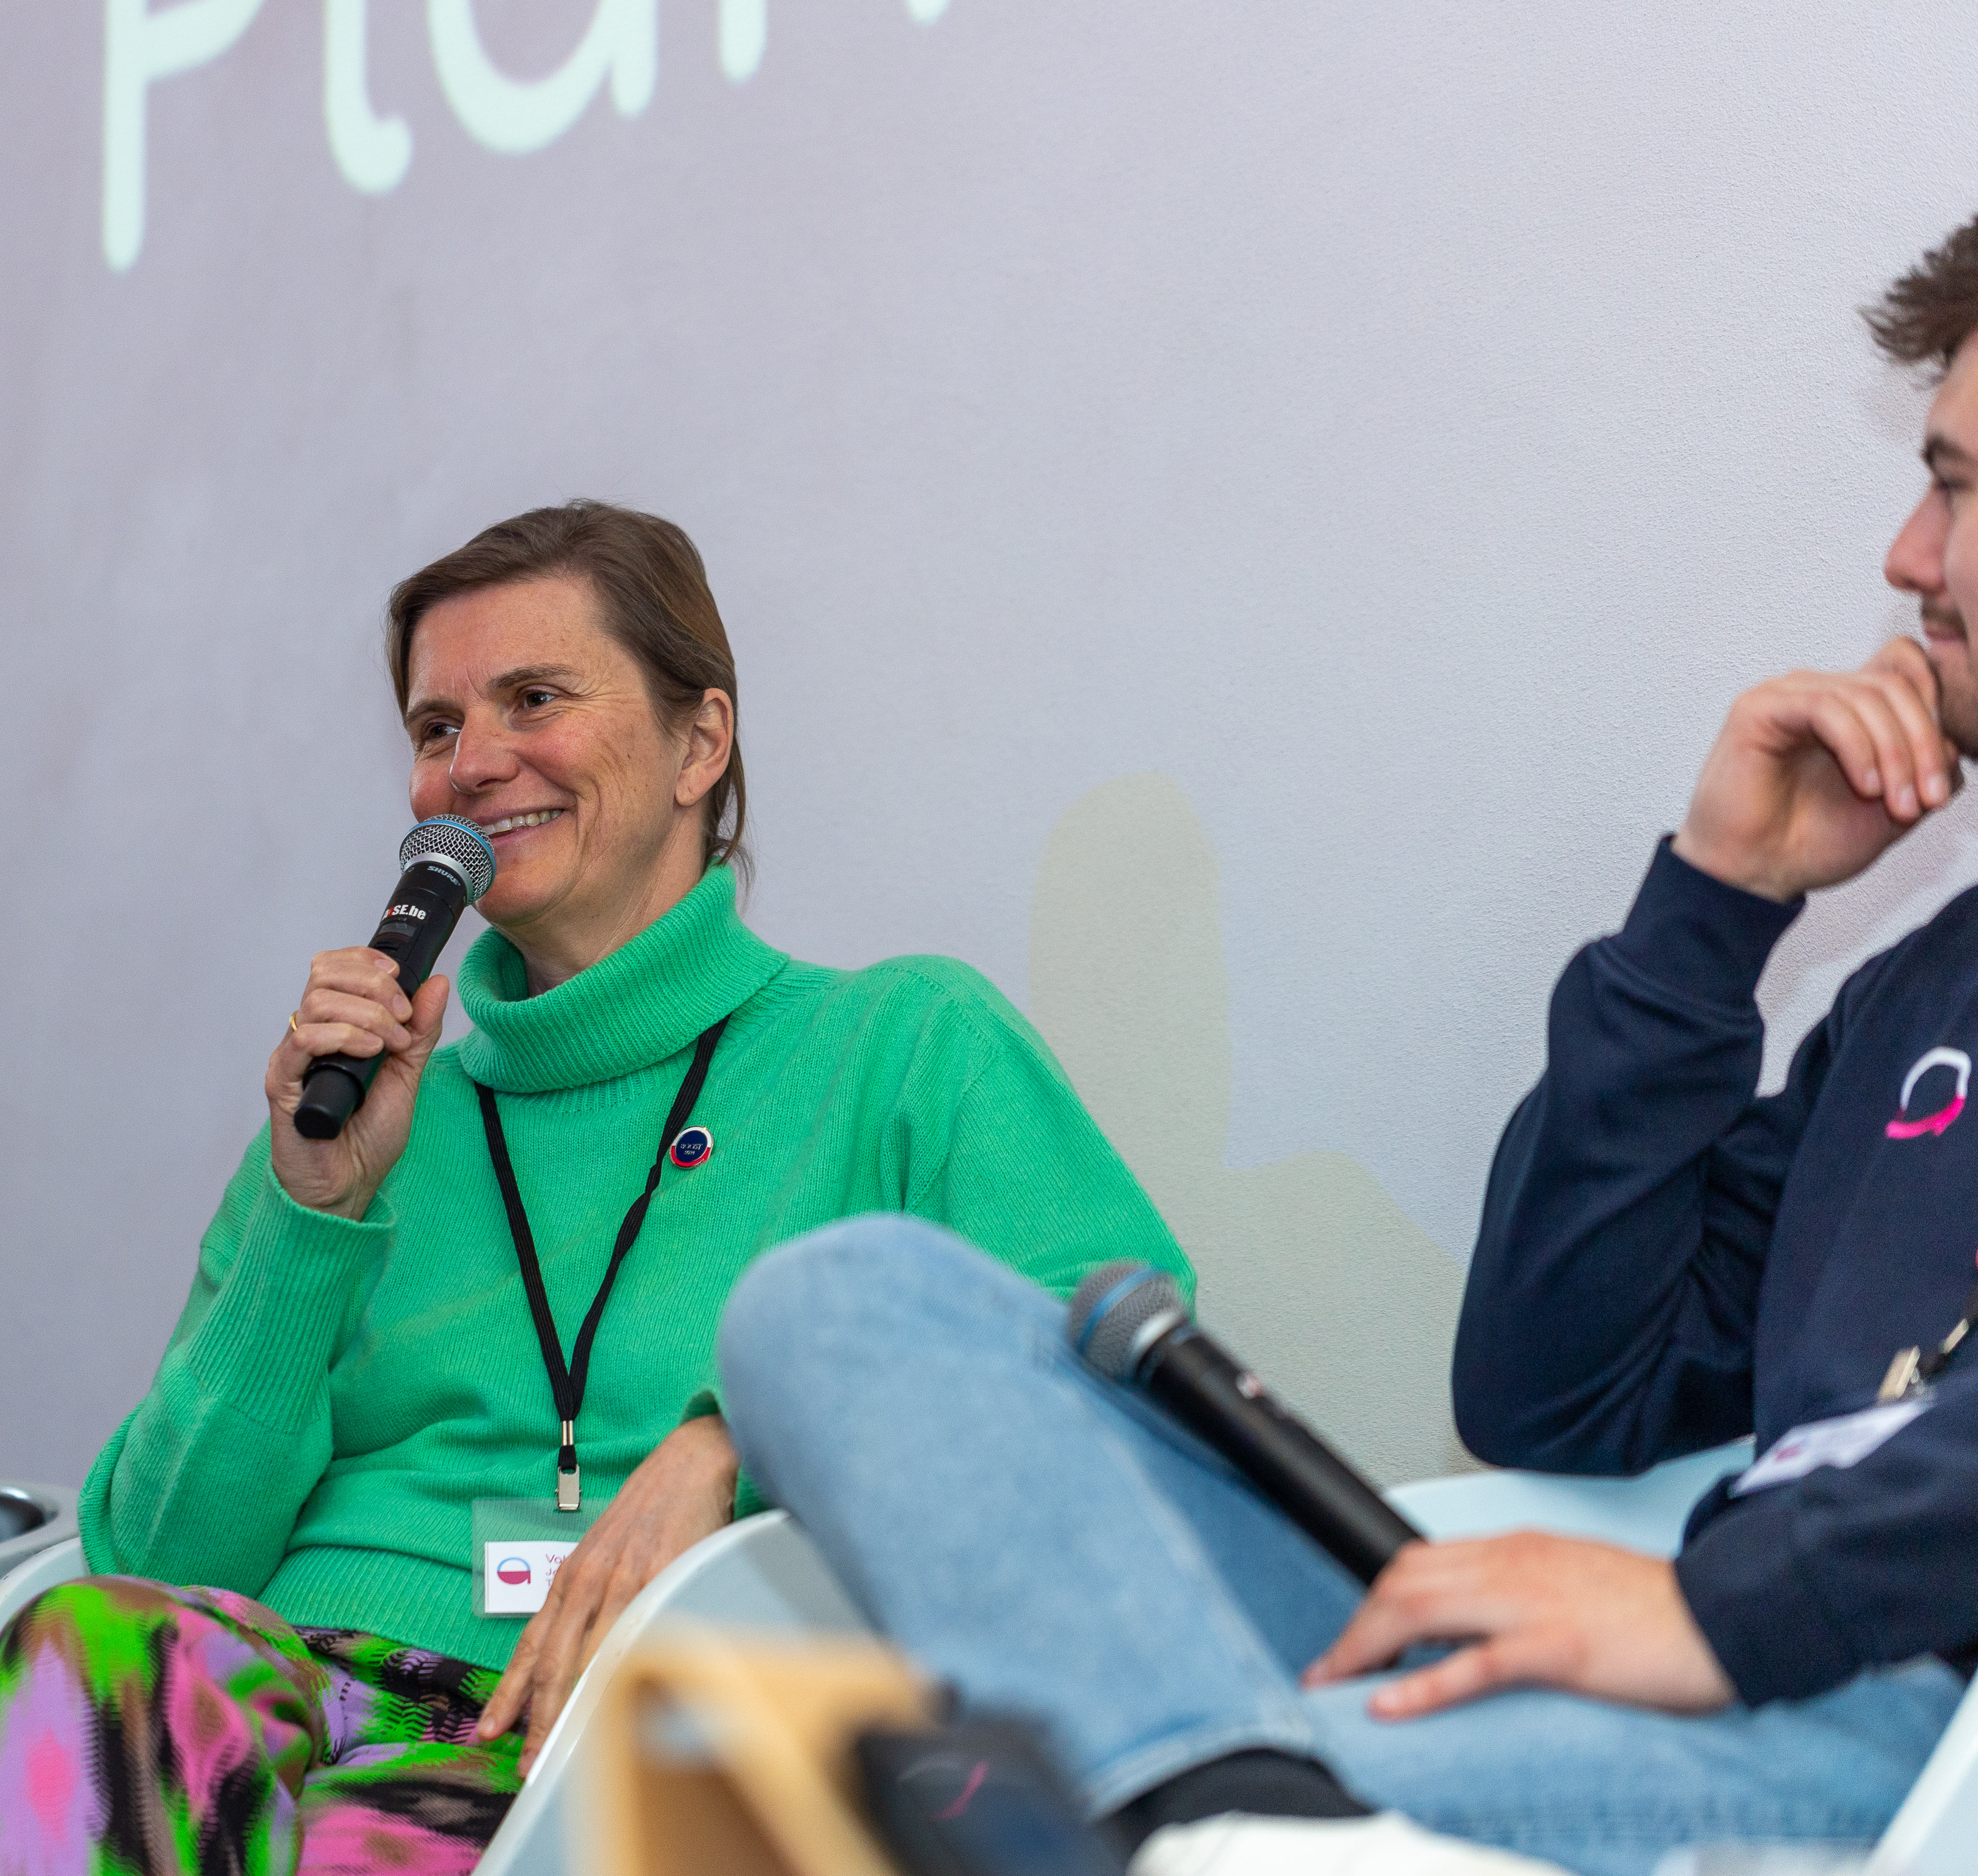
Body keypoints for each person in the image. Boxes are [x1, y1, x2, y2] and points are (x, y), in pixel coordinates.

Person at [710, 215, 1978, 1876]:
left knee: (857, 1814)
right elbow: (1559, 1396)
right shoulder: (1919, 998)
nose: (1904, 550)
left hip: (1874, 1727)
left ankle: (1206, 1806)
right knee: (838, 1301)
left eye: (1956, 486)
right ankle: (1239, 1812)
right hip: (1642, 1681)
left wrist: (1725, 1610)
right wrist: (1715, 909)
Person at [0, 501, 1192, 1875]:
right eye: (435, 729)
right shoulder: (366, 1110)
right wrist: (313, 1214)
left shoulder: (901, 1042)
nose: (473, 764)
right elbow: (160, 1550)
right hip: (259, 1707)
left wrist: (743, 1438)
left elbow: (1108, 1359)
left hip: (626, 1737)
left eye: (533, 699)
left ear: (699, 742)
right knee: (93, 1645)